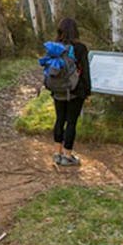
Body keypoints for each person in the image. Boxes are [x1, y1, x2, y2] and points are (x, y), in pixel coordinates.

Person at [50, 17, 90, 167]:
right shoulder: (80, 48)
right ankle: (67, 156)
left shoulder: (54, 47)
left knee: (60, 119)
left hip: (58, 90)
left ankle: (57, 154)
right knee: (71, 122)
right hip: (75, 90)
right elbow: (85, 71)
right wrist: (87, 92)